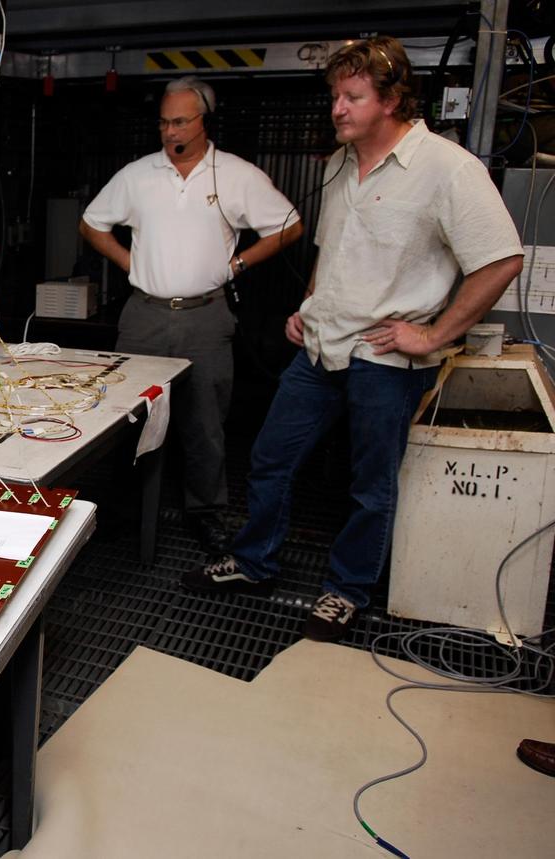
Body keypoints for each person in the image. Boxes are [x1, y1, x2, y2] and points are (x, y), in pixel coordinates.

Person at [182, 37, 524, 642]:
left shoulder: (447, 168)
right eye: (335, 96)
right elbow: (332, 248)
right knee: (270, 458)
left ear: (391, 100)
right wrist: (309, 306)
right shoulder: (341, 162)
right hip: (321, 347)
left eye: (353, 96)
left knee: (368, 484)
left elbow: (500, 261)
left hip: (386, 358)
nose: (337, 108)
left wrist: (435, 334)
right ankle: (255, 562)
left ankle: (347, 590)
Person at [80, 76, 303, 553]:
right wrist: (129, 263)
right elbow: (92, 223)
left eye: (179, 121)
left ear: (205, 122)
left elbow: (289, 225)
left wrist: (239, 263)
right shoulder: (137, 175)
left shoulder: (236, 174)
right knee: (128, 418)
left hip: (206, 317)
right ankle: (123, 513)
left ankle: (206, 513)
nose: (169, 131)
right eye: (163, 122)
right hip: (144, 315)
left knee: (204, 422)